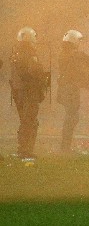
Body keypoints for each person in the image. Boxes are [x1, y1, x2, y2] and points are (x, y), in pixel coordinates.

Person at [10, 27, 49, 158]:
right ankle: (25, 151)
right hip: (29, 92)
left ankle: (23, 149)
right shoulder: (29, 54)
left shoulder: (16, 53)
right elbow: (34, 74)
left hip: (19, 92)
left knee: (25, 121)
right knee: (30, 121)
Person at [57, 30, 89, 153]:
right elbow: (81, 71)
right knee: (72, 117)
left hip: (66, 88)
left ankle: (65, 146)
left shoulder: (64, 54)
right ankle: (65, 147)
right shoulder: (74, 55)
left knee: (71, 116)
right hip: (70, 89)